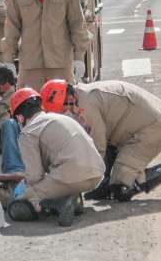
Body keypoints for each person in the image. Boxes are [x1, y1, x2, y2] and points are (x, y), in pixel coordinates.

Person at [40, 80, 161, 202]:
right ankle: (110, 181)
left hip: (152, 128)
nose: (62, 115)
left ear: (69, 99)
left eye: (61, 110)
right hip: (134, 126)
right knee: (109, 183)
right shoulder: (80, 97)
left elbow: (97, 148)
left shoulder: (86, 106)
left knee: (122, 189)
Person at [6, 88, 105, 226]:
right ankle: (72, 197)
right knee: (55, 182)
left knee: (27, 198)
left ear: (20, 117)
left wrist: (28, 190)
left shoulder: (28, 133)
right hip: (97, 174)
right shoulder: (60, 117)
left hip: (72, 176)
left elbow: (35, 176)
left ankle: (59, 205)